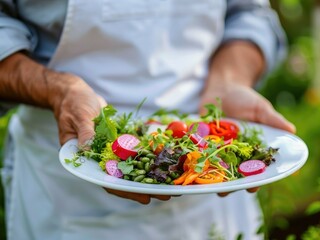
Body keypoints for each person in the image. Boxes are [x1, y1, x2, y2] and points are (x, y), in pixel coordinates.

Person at [0, 1, 296, 239]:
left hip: (212, 187)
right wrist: (60, 91)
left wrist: (228, 82)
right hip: (69, 185)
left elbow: (248, 15)